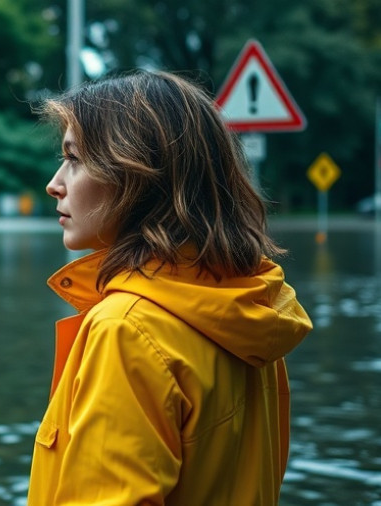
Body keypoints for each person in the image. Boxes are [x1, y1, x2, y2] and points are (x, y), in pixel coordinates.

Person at [28, 70, 312, 505]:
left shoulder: (126, 330)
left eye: (75, 159)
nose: (55, 184)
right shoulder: (247, 310)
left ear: (137, 175)